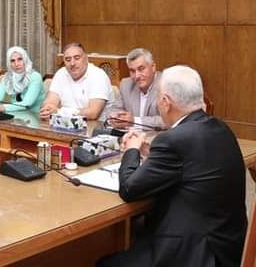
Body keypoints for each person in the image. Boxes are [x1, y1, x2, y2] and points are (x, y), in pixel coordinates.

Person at [98, 66, 247, 267]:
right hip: (227, 248)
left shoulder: (173, 139)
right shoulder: (221, 127)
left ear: (166, 103)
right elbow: (192, 162)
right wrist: (150, 153)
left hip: (193, 255)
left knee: (106, 263)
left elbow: (129, 189)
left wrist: (131, 150)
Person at [39, 43, 112, 121]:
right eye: (68, 60)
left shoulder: (98, 75)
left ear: (86, 59)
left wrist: (60, 112)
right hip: (66, 124)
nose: (72, 63)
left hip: (96, 126)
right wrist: (48, 109)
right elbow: (50, 101)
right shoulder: (61, 73)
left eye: (77, 58)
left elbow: (93, 113)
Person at [109, 48, 164, 129]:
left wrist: (135, 121)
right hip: (129, 135)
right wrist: (116, 117)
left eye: (141, 69)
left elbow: (168, 121)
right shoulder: (126, 84)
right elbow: (115, 109)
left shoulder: (166, 85)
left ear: (153, 67)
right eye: (132, 71)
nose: (137, 76)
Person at [0, 46, 44, 114]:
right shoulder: (8, 77)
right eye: (12, 61)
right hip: (15, 114)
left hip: (35, 115)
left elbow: (27, 103)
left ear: (25, 60)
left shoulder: (35, 77)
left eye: (20, 59)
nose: (16, 64)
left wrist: (3, 107)